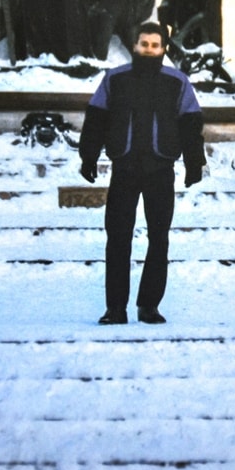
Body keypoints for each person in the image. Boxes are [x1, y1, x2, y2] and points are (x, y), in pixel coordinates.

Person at [78, 22, 206, 325]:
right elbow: (96, 118)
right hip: (124, 168)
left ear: (163, 49)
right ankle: (115, 308)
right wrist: (89, 156)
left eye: (155, 45)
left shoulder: (177, 82)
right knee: (118, 239)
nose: (149, 49)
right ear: (134, 46)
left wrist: (193, 162)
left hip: (160, 170)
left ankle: (149, 306)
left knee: (159, 238)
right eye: (144, 44)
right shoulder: (115, 79)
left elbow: (190, 123)